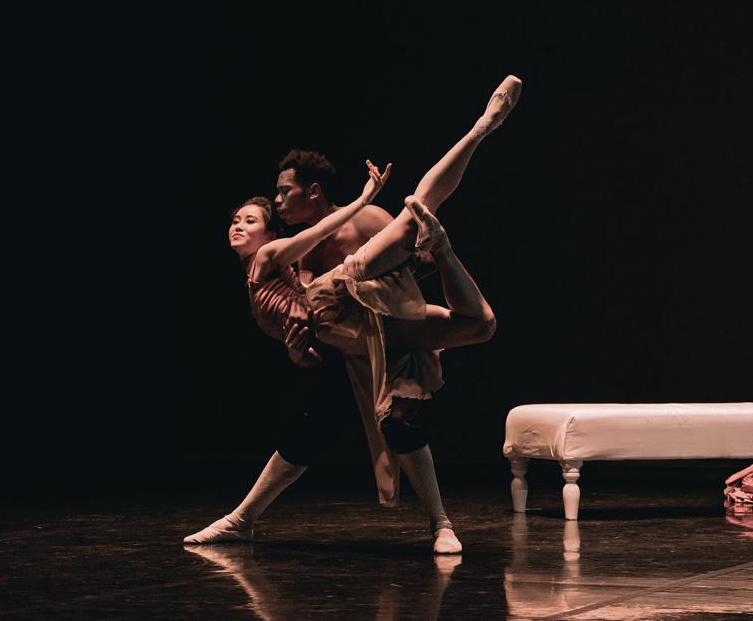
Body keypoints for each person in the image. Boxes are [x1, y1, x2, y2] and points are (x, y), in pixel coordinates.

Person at [185, 75, 521, 553]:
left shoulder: (349, 226)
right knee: (313, 429)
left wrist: (385, 219)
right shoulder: (291, 255)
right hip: (346, 341)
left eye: (281, 195)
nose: (276, 204)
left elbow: (405, 275)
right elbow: (302, 325)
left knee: (466, 313)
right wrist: (298, 352)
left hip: (376, 317)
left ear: (313, 192)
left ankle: (481, 129)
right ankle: (242, 519)